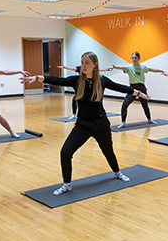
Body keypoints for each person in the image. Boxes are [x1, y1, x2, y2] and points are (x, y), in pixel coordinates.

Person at [22, 51, 149, 195]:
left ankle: (117, 172)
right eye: (82, 63)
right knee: (65, 152)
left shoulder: (103, 80)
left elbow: (122, 88)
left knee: (108, 151)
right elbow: (58, 80)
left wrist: (139, 93)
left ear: (95, 65)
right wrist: (38, 78)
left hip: (101, 124)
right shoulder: (77, 81)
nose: (84, 66)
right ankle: (67, 184)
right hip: (82, 126)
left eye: (87, 63)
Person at [111, 52, 164, 127]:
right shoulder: (129, 67)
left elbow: (152, 69)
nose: (134, 59)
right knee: (124, 105)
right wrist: (113, 66)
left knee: (145, 105)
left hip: (141, 87)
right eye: (132, 58)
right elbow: (121, 67)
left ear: (139, 58)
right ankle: (123, 122)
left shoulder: (142, 67)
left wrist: (161, 71)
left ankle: (149, 119)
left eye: (135, 58)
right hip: (132, 88)